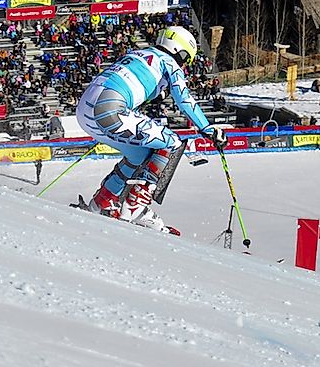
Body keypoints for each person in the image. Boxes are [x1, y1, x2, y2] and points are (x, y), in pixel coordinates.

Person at [76, 26, 224, 232]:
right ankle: (136, 205)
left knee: (139, 155)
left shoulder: (138, 53)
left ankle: (102, 202)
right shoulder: (169, 62)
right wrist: (207, 128)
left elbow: (137, 83)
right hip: (109, 110)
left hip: (86, 110)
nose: (183, 64)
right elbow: (185, 100)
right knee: (172, 143)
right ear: (180, 51)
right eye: (185, 60)